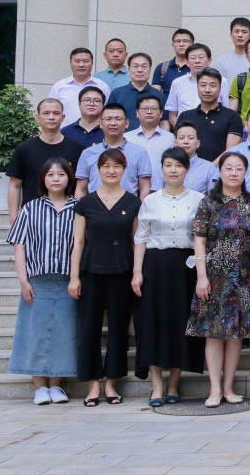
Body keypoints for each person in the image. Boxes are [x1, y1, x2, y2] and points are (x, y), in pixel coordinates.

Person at [186, 151, 250, 408]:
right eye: (228, 168)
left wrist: (247, 259)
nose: (233, 172)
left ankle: (229, 387)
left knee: (235, 334)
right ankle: (214, 389)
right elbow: (199, 240)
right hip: (213, 276)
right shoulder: (209, 202)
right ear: (220, 172)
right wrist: (201, 276)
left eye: (238, 168)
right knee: (214, 333)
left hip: (243, 277)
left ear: (245, 172)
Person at [131, 148, 206, 407]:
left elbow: (201, 239)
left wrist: (202, 273)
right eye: (168, 165)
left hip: (185, 268)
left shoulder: (199, 199)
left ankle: (174, 382)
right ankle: (156, 385)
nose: (173, 170)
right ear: (161, 169)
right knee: (152, 323)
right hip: (155, 266)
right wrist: (137, 272)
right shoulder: (150, 201)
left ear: (187, 170)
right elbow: (141, 237)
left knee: (180, 323)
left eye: (179, 165)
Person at [68, 148, 141, 406]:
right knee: (89, 328)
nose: (111, 171)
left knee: (119, 329)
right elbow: (78, 242)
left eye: (117, 166)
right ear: (98, 169)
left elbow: (136, 241)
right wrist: (74, 277)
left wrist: (137, 272)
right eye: (106, 166)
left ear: (124, 170)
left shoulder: (133, 202)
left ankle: (111, 383)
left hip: (122, 272)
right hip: (91, 272)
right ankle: (92, 385)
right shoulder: (85, 203)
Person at [6, 158, 77, 405]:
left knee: (64, 333)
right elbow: (19, 245)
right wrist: (23, 280)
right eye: (50, 174)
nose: (56, 178)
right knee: (35, 333)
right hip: (37, 281)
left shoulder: (79, 209)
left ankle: (56, 386)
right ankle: (39, 388)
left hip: (68, 281)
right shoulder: (30, 208)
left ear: (69, 178)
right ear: (43, 179)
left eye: (61, 174)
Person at [7, 99, 86, 218]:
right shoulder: (24, 149)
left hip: (68, 218)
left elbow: (82, 186)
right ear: (38, 117)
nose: (51, 117)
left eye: (56, 113)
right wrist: (14, 220)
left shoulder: (77, 148)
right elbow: (15, 185)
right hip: (33, 217)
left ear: (63, 117)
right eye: (46, 113)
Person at [75, 103, 152, 199]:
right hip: (95, 207)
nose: (113, 123)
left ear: (126, 123)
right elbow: (81, 189)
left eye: (118, 119)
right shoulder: (88, 153)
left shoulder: (140, 152)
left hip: (128, 207)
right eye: (108, 119)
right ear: (100, 123)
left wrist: (140, 208)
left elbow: (145, 187)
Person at [174, 67, 243, 162]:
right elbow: (179, 148)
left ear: (220, 89)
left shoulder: (232, 116)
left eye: (213, 85)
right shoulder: (185, 116)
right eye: (203, 85)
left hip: (220, 169)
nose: (207, 90)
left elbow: (231, 150)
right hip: (189, 169)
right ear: (197, 87)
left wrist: (209, 168)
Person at [164, 44, 226, 124]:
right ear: (187, 62)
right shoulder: (177, 83)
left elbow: (226, 109)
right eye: (193, 58)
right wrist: (180, 130)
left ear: (209, 60)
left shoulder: (222, 81)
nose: (197, 61)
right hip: (184, 129)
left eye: (201, 57)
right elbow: (172, 114)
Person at [48, 47, 111, 125]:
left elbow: (108, 113)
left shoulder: (102, 86)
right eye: (77, 61)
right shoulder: (59, 87)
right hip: (64, 131)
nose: (81, 65)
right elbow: (50, 112)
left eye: (85, 61)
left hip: (95, 131)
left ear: (92, 63)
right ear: (70, 63)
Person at [125, 94, 175, 190]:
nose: (149, 112)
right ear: (137, 113)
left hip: (160, 190)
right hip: (131, 191)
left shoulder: (170, 138)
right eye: (144, 108)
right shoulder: (126, 138)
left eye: (153, 108)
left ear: (161, 113)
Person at [107, 52, 165, 130]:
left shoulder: (159, 95)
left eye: (144, 66)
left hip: (152, 137)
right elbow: (108, 119)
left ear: (150, 70)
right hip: (122, 137)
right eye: (135, 66)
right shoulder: (117, 93)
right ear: (129, 70)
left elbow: (163, 122)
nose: (140, 70)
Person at [171, 121, 221, 194]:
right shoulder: (166, 166)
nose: (186, 141)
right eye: (181, 138)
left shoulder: (209, 168)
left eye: (191, 138)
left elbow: (213, 197)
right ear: (175, 143)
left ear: (198, 143)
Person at [213, 17, 250, 81]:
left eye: (244, 32)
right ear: (231, 35)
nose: (240, 35)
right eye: (236, 31)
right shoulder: (221, 61)